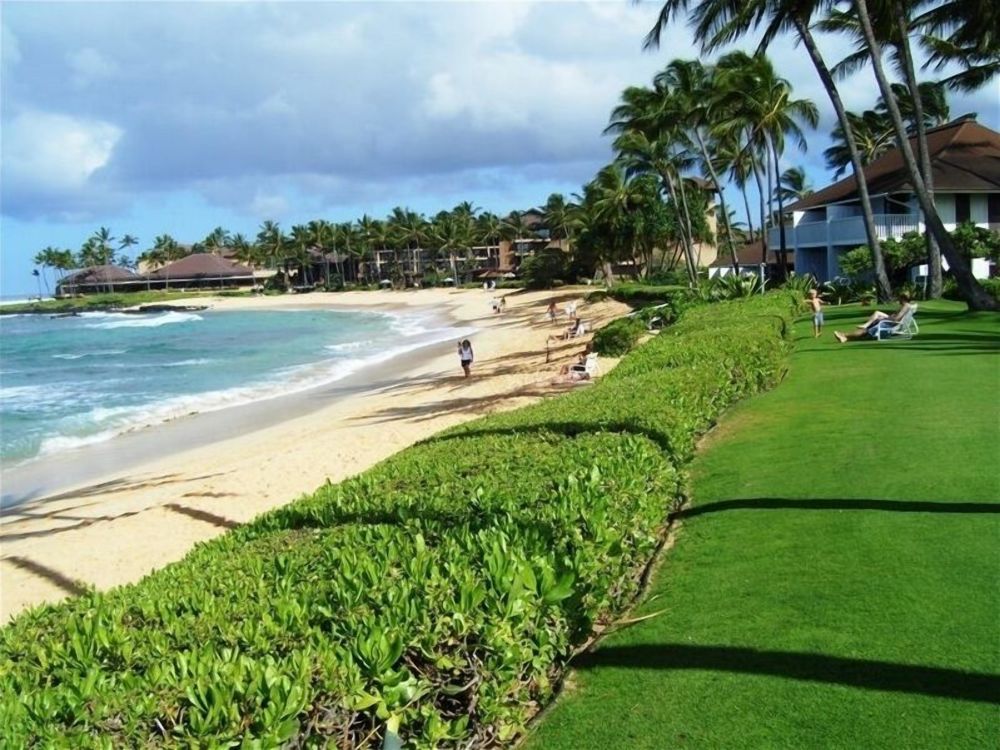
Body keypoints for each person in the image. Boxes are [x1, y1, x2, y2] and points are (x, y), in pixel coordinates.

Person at [834, 293, 913, 343]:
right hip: (889, 322)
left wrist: (885, 319)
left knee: (866, 331)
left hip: (889, 324)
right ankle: (845, 337)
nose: (898, 300)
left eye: (899, 298)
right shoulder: (906, 306)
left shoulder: (906, 306)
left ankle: (845, 335)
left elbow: (897, 319)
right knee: (866, 329)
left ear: (903, 298)